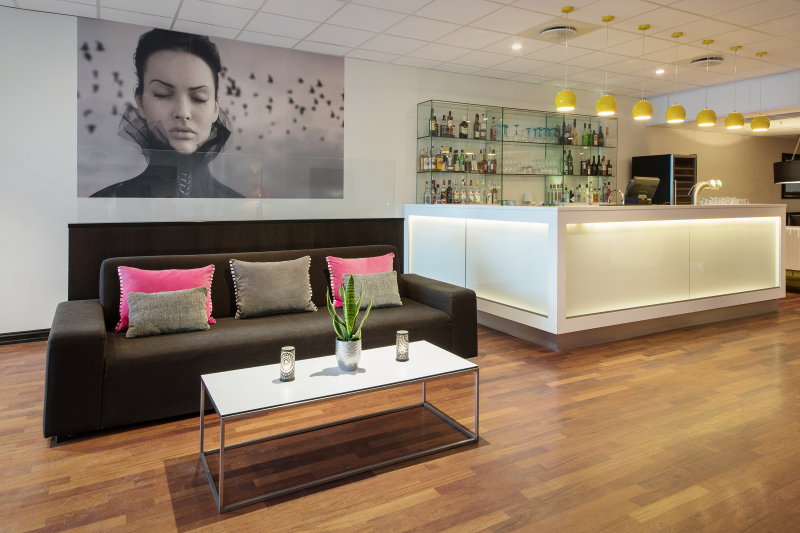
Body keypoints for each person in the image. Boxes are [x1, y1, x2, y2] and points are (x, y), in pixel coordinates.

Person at [91, 29, 243, 198]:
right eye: (162, 94)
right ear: (140, 102)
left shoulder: (240, 207)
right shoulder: (105, 202)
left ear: (215, 108)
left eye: (199, 98)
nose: (183, 112)